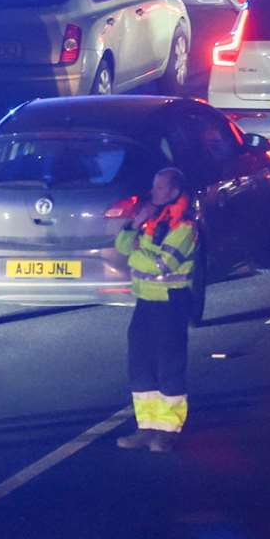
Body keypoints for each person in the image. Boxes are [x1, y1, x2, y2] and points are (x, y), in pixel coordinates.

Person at [113, 167, 199, 454]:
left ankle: (167, 431)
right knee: (140, 365)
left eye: (161, 188)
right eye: (154, 186)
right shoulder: (152, 220)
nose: (154, 193)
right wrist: (134, 224)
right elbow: (122, 246)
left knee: (169, 367)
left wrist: (138, 255)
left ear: (175, 192)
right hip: (145, 302)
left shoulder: (184, 226)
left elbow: (163, 264)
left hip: (170, 303)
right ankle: (145, 427)